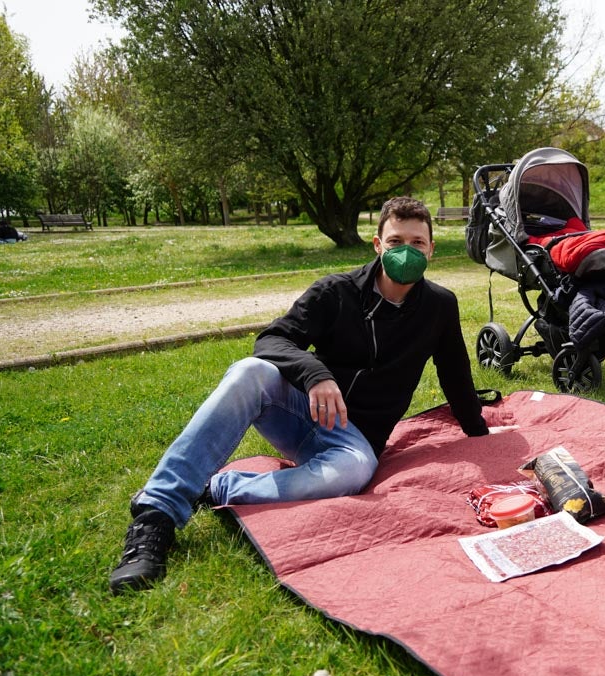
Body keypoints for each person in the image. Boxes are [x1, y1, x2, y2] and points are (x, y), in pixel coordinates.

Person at [110, 197, 490, 594]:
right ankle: (156, 515)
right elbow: (272, 340)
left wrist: (478, 431)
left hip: (355, 443)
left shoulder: (440, 306)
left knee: (354, 473)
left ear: (431, 248)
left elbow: (455, 373)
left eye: (417, 242)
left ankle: (217, 488)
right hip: (303, 412)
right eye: (396, 242)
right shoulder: (335, 291)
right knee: (249, 372)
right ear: (377, 246)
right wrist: (315, 375)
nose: (406, 252)